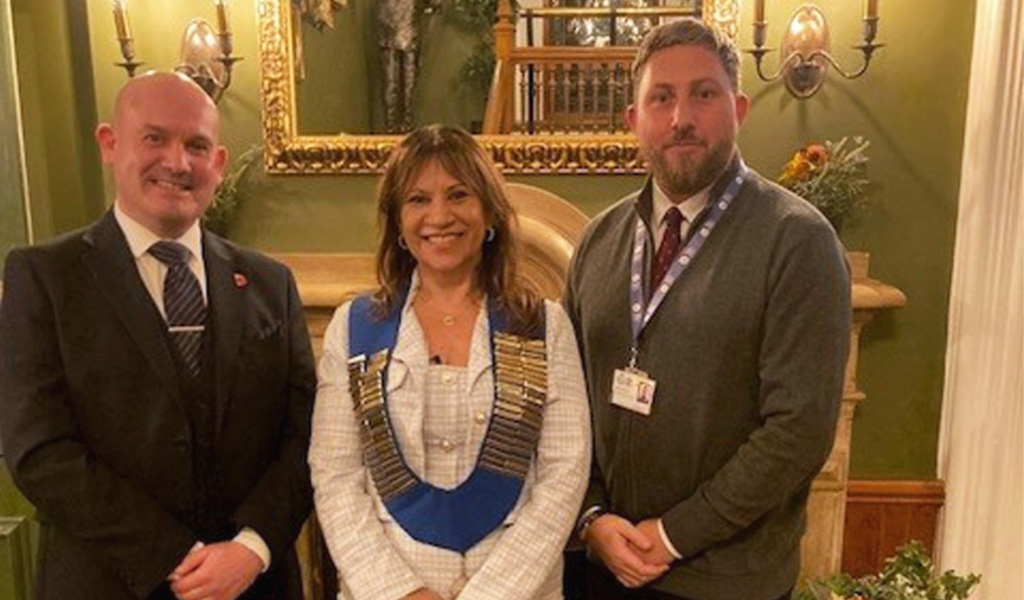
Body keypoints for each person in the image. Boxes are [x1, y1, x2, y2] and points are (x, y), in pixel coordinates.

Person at [563, 18, 851, 600]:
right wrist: (592, 518)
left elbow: (797, 431)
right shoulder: (598, 241)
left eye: (704, 94)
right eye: (661, 98)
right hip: (603, 564)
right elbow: (566, 405)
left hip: (728, 581)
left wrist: (673, 536)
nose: (681, 118)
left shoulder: (798, 241)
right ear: (633, 119)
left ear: (739, 109)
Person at [0, 72, 316, 600]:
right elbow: (39, 449)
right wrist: (175, 557)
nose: (177, 162)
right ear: (110, 144)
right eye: (154, 138)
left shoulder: (270, 283)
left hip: (253, 584)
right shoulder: (45, 278)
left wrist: (251, 547)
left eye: (196, 145)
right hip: (104, 584)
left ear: (218, 162)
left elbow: (307, 436)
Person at [310, 125, 590, 600]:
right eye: (418, 199)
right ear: (398, 222)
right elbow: (335, 476)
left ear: (489, 212)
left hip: (518, 589)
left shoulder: (544, 326)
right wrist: (399, 592)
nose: (439, 216)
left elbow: (565, 473)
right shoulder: (353, 327)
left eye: (459, 195)